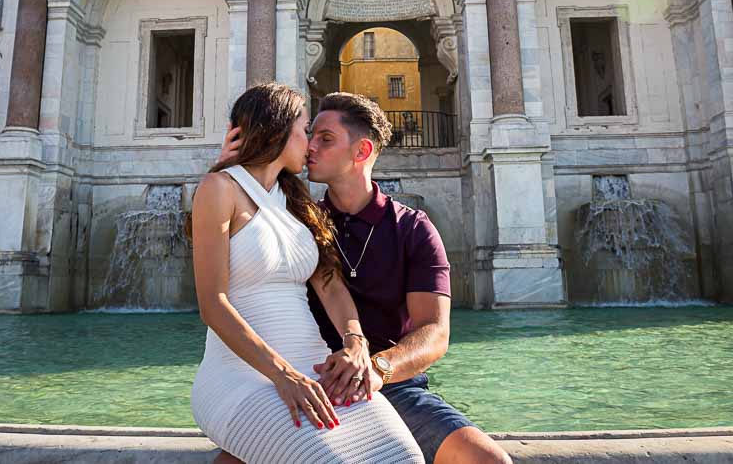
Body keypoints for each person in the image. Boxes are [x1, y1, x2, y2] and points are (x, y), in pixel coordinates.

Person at [216, 92, 512, 464]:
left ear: (361, 151)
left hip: (394, 387)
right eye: (310, 135)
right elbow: (229, 258)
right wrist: (231, 171)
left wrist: (376, 369)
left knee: (490, 461)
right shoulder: (293, 220)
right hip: (309, 383)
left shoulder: (413, 229)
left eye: (325, 139)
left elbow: (435, 333)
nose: (310, 146)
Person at [189, 83, 424, 464]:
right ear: (278, 130)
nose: (310, 143)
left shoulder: (297, 202)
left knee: (404, 458)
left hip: (315, 371)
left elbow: (331, 286)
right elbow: (212, 305)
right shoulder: (219, 188)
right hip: (242, 378)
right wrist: (284, 375)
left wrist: (355, 342)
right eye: (305, 130)